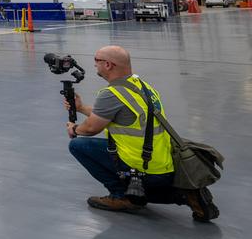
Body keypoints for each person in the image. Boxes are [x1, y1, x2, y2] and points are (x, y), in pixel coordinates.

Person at [66, 45, 217, 221]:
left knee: (78, 145)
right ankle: (186, 194)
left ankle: (121, 196)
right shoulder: (141, 86)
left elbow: (91, 128)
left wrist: (74, 128)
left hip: (143, 167)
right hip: (164, 163)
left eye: (96, 61)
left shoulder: (111, 94)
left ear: (108, 65)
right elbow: (111, 115)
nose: (94, 65)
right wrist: (82, 108)